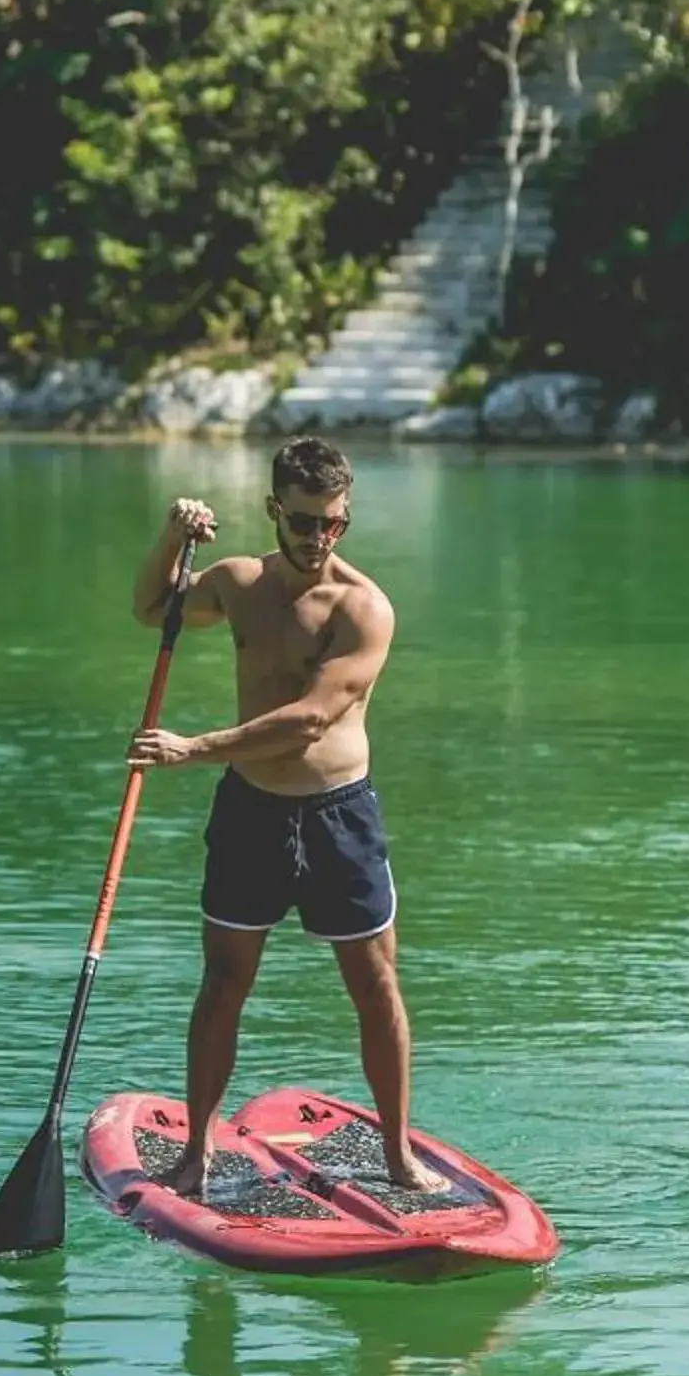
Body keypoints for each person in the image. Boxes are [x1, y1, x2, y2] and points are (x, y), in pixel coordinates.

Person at [127, 435, 443, 1198]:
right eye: (304, 522)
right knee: (223, 980)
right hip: (250, 815)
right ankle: (196, 1153)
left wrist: (194, 749)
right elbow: (151, 608)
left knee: (375, 986)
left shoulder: (363, 608)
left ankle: (398, 1156)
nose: (318, 538)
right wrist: (174, 537)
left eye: (334, 523)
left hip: (340, 819)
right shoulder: (236, 583)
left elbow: (309, 718)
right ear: (274, 511)